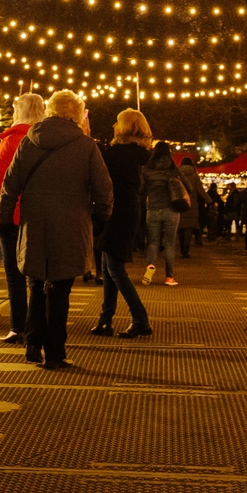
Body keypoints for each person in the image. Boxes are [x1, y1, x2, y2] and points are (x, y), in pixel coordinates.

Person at [0, 90, 112, 369]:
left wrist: (4, 219)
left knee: (36, 282)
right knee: (61, 288)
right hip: (71, 224)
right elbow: (104, 189)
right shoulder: (86, 146)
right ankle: (56, 352)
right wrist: (99, 217)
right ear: (76, 115)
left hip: (34, 222)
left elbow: (10, 186)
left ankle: (33, 343)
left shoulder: (28, 142)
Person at [0, 93, 45, 342]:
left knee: (14, 273)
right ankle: (37, 326)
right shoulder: (45, 141)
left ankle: (17, 326)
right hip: (39, 215)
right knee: (38, 274)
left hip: (12, 215)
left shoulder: (10, 142)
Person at [93, 108, 154, 337]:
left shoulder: (119, 154)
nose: (113, 126)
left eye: (117, 122)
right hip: (127, 211)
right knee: (109, 267)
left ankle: (141, 319)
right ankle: (105, 319)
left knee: (115, 269)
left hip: (118, 212)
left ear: (126, 126)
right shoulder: (137, 154)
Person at [141, 140, 186, 285]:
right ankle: (169, 277)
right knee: (169, 244)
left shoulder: (146, 169)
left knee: (153, 242)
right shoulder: (173, 168)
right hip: (171, 210)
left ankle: (151, 265)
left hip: (152, 209)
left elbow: (141, 190)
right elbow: (188, 186)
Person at [176, 151, 203, 257]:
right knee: (189, 229)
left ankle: (181, 246)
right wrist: (210, 200)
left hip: (180, 203)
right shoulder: (195, 176)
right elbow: (201, 191)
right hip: (192, 205)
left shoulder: (177, 175)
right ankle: (186, 249)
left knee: (181, 227)